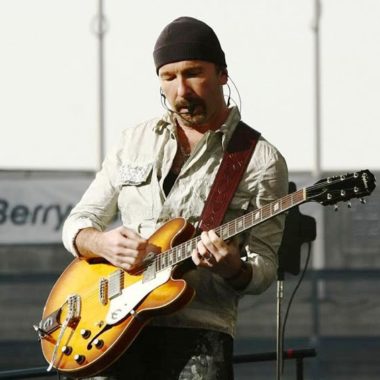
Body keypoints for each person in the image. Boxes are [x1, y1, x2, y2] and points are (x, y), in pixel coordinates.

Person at [62, 16, 288, 380]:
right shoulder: (133, 141)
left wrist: (233, 267)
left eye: (193, 73)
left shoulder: (260, 159)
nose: (181, 90)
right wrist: (102, 242)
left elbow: (264, 268)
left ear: (222, 75)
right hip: (112, 328)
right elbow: (78, 223)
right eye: (169, 77)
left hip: (199, 330)